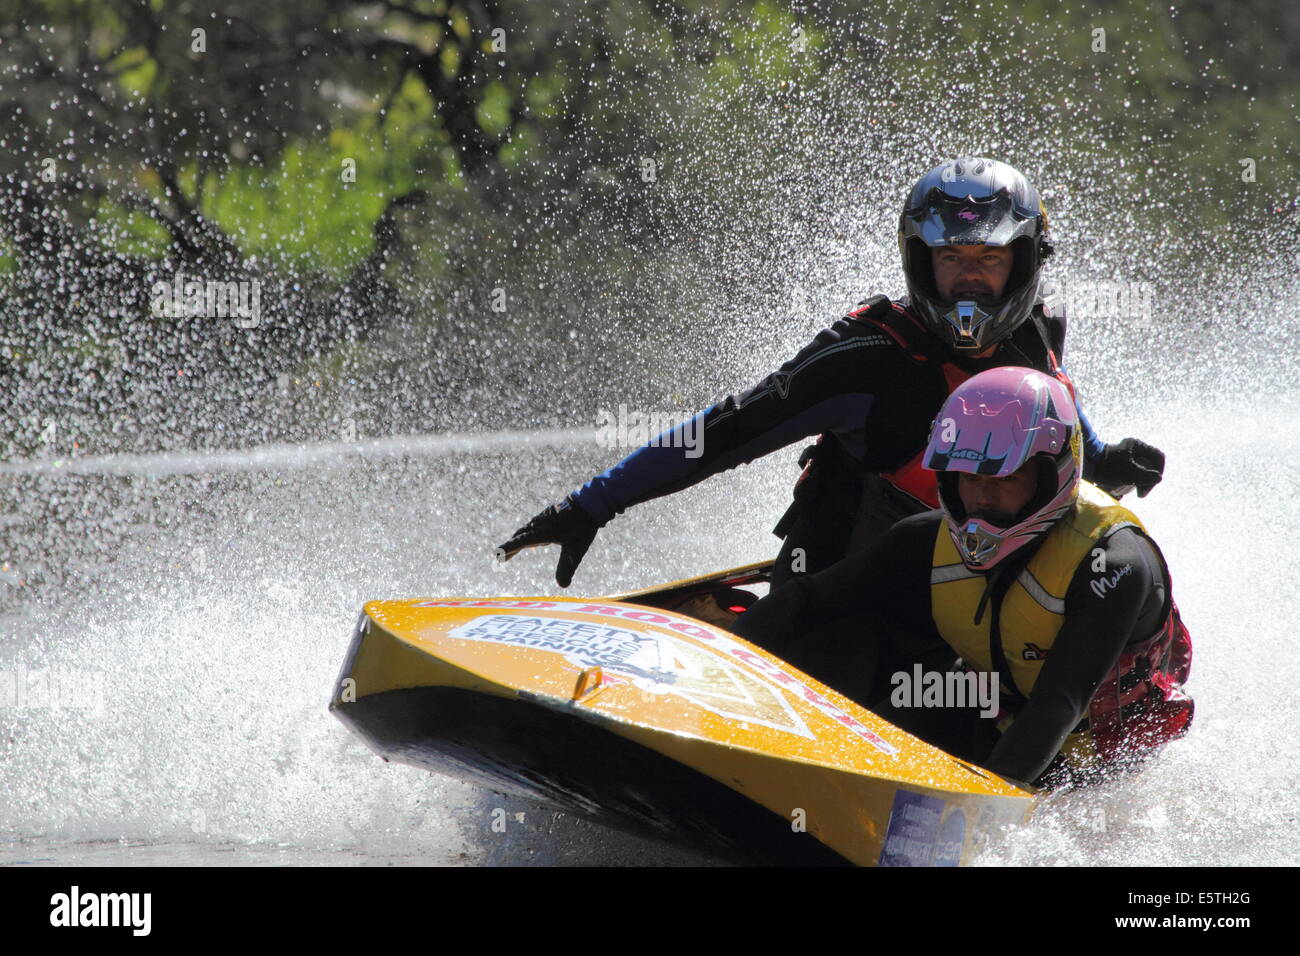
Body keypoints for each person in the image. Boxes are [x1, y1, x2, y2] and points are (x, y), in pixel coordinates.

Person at [497, 157, 1166, 589]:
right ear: (917, 262)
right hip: (840, 592)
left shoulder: (1038, 326)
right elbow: (723, 433)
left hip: (984, 583)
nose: (968, 278)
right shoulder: (861, 359)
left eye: (988, 260)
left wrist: (1104, 458)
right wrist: (590, 505)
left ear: (1022, 266)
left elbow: (1057, 410)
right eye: (948, 258)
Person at [729, 367, 1194, 788]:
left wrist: (974, 809)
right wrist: (723, 660)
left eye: (1004, 477)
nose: (982, 498)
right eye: (969, 476)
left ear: (1051, 476)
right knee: (838, 636)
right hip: (994, 707)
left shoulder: (1113, 564)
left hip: (1106, 757)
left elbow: (1058, 705)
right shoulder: (924, 538)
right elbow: (808, 600)